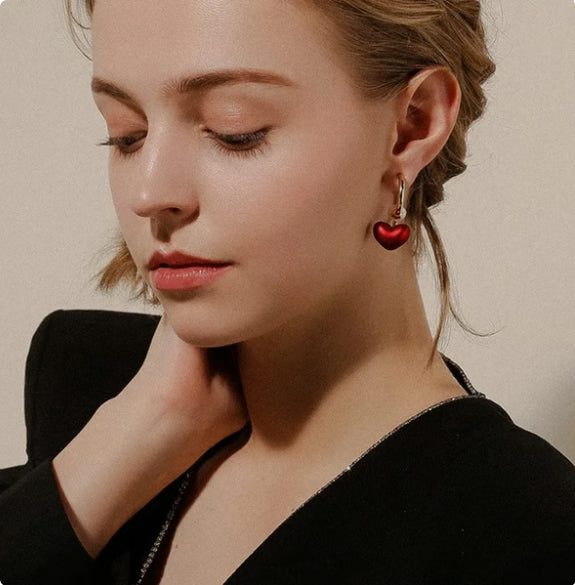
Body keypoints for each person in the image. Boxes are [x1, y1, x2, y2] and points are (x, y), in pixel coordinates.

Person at [1, 1, 574, 584]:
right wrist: (122, 448)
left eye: (235, 131)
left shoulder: (521, 528)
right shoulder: (87, 389)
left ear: (412, 126)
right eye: (127, 136)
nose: (150, 193)